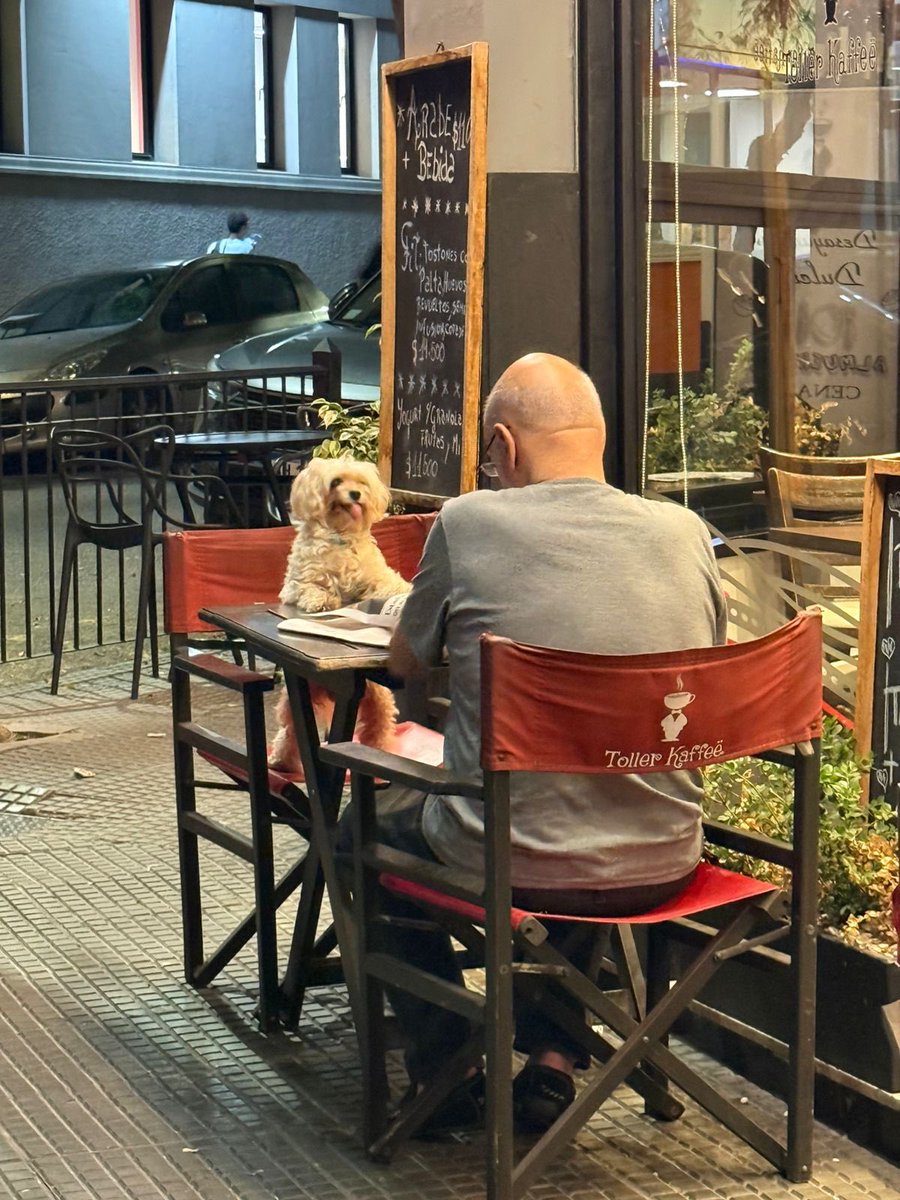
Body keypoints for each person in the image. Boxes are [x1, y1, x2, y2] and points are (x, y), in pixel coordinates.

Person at [355, 352, 726, 1135]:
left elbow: (405, 663)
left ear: (504, 444)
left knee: (367, 826)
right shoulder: (686, 532)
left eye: (491, 459)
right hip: (664, 851)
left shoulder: (468, 522)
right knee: (583, 789)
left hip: (514, 857)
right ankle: (554, 1057)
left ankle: (450, 1068)